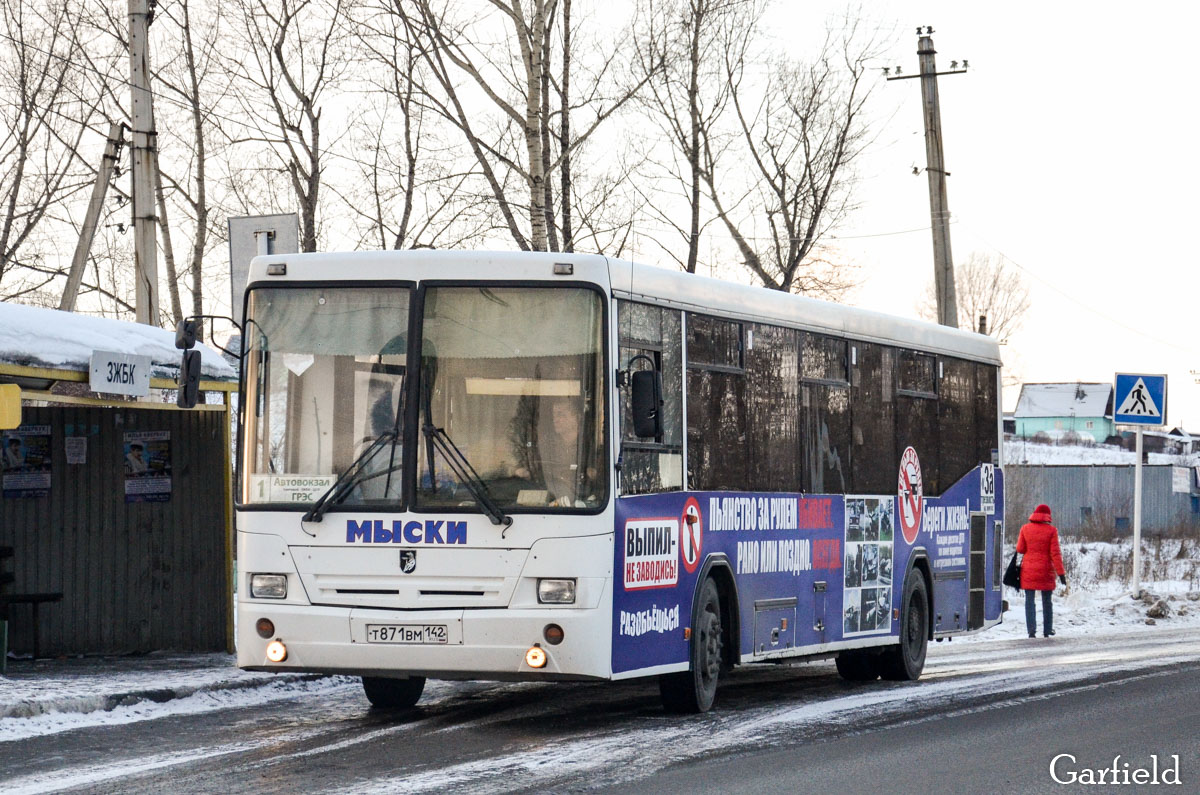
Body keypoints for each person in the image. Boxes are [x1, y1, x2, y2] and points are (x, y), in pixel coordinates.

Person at [1016, 503, 1066, 638]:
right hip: (1045, 570)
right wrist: (1061, 573)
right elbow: (1055, 554)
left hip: (1028, 570)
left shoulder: (1025, 529)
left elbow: (1020, 549)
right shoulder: (1052, 531)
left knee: (1029, 600)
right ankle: (1047, 629)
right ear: (1047, 516)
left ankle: (1031, 630)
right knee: (1047, 600)